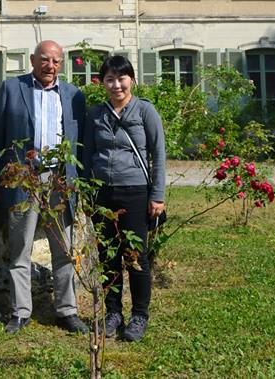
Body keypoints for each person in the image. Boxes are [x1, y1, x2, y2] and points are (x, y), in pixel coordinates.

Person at [0, 40, 88, 335]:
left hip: (59, 180)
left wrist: (76, 181)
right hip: (23, 180)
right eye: (45, 60)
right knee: (20, 248)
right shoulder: (12, 88)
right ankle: (20, 312)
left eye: (56, 61)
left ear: (62, 64)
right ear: (33, 60)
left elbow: (80, 141)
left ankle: (66, 311)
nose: (50, 66)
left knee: (64, 248)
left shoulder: (73, 95)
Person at [82, 55, 166, 343]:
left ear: (131, 79)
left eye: (121, 78)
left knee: (136, 256)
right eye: (109, 79)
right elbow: (86, 154)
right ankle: (113, 312)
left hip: (136, 192)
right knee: (108, 255)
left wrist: (158, 195)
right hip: (104, 192)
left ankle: (139, 316)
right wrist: (87, 191)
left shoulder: (145, 111)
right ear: (102, 82)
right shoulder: (96, 114)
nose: (116, 85)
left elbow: (159, 155)